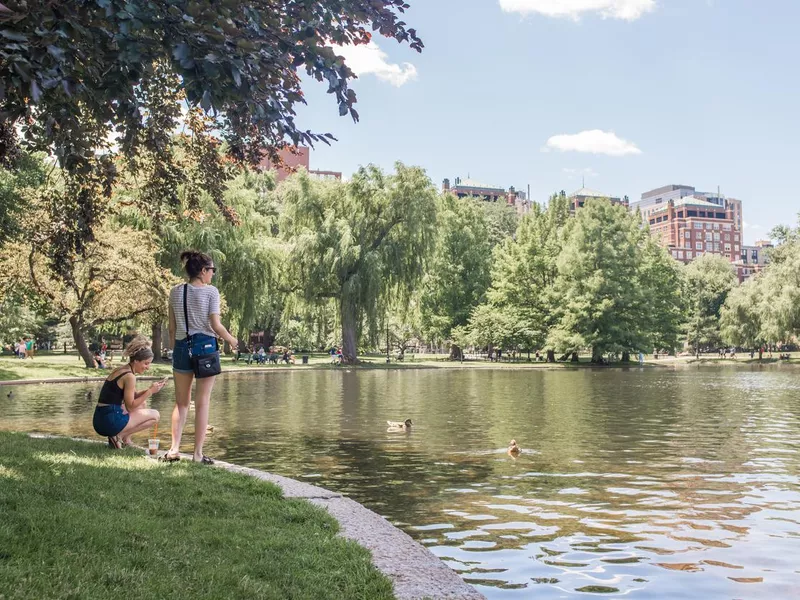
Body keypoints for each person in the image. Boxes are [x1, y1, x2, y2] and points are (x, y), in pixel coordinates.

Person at [165, 251, 238, 464]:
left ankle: (174, 449)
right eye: (212, 270)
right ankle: (197, 454)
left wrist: (175, 348)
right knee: (203, 401)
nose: (213, 275)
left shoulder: (175, 292)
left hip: (181, 347)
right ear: (203, 271)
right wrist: (231, 340)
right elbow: (215, 325)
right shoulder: (210, 293)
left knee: (181, 403)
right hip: (205, 348)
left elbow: (172, 327)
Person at [92, 336, 164, 449]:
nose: (148, 367)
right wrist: (149, 392)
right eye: (146, 363)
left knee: (142, 404)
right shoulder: (129, 376)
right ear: (136, 361)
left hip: (101, 418)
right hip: (109, 421)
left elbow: (133, 396)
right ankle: (118, 437)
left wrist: (152, 389)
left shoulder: (122, 369)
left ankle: (126, 440)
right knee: (155, 416)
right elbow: (130, 407)